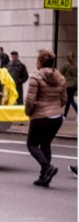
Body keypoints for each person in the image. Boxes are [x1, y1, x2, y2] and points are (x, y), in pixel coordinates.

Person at [24, 48, 66, 187]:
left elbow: (30, 100)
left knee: (32, 144)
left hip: (41, 117)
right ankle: (44, 177)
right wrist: (56, 108)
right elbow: (64, 98)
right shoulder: (60, 77)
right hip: (56, 118)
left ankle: (47, 168)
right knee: (46, 144)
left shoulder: (36, 77)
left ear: (40, 62)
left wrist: (29, 112)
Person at [60, 51, 77, 117]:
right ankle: (65, 115)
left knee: (70, 100)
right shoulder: (76, 66)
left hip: (68, 85)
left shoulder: (65, 65)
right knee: (68, 99)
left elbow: (60, 73)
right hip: (74, 85)